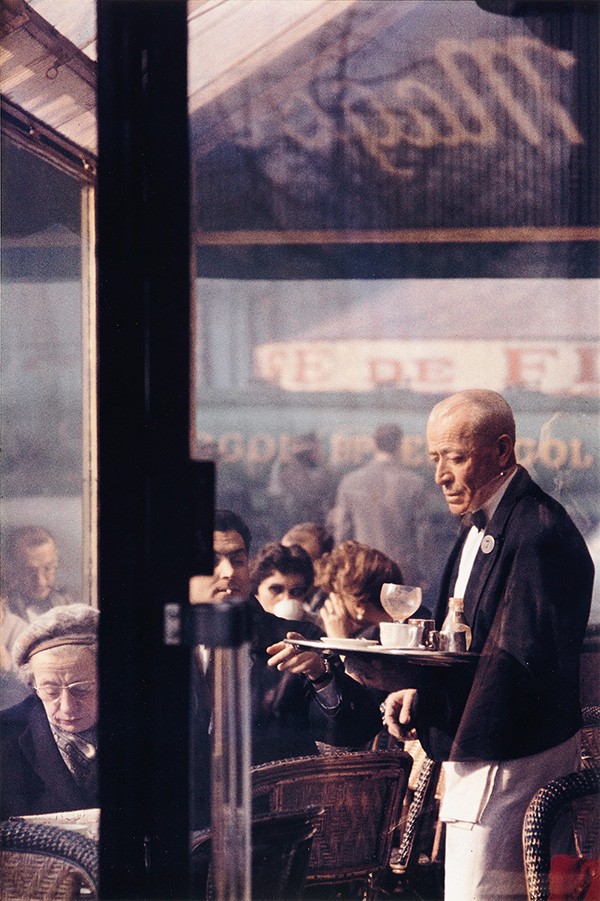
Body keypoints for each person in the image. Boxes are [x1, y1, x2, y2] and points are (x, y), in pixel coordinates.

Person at [382, 389, 594, 901]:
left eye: (456, 457)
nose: (440, 476)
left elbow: (515, 665)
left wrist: (433, 698)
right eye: (435, 459)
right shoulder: (486, 523)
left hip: (505, 761)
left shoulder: (538, 532)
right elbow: (466, 633)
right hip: (484, 759)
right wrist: (418, 688)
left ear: (502, 451)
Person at [189, 510, 382, 828]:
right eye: (212, 560)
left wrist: (321, 675)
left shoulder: (296, 640)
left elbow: (359, 730)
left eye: (237, 560)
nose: (228, 572)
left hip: (269, 826)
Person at [0, 604, 99, 819]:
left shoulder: (143, 728)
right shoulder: (5, 736)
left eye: (81, 690)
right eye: (50, 691)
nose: (67, 707)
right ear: (32, 684)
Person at [332, 424, 429, 588]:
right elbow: (422, 535)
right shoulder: (414, 483)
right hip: (401, 571)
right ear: (399, 445)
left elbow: (342, 531)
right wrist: (423, 573)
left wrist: (340, 570)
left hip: (362, 570)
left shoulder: (350, 481)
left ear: (374, 445)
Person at [317, 540, 404, 639]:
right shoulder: (404, 627)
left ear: (359, 606)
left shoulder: (378, 637)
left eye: (337, 596)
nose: (332, 603)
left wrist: (339, 640)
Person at [2, 526, 76, 632]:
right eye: (29, 571)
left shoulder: (68, 601)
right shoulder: (4, 611)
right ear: (11, 569)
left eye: (47, 568)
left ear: (56, 563)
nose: (41, 582)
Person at [250, 541, 320, 624]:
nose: (287, 598)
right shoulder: (241, 626)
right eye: (276, 589)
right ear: (256, 589)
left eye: (296, 591)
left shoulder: (318, 627)